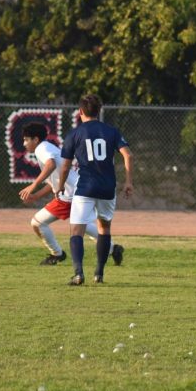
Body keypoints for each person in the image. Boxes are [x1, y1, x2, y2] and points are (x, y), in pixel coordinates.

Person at [18, 122, 124, 266]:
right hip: (74, 191)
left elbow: (51, 165)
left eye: (26, 139)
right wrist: (36, 196)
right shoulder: (47, 147)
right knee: (83, 224)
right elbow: (53, 181)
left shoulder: (41, 148)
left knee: (38, 222)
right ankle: (113, 248)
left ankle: (57, 254)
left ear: (36, 139)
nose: (24, 143)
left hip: (69, 195)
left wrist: (33, 186)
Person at [56, 94, 135, 286]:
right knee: (104, 228)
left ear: (80, 112)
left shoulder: (75, 133)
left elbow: (65, 166)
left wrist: (60, 185)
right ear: (98, 111)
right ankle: (99, 273)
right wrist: (128, 182)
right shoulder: (111, 131)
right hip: (108, 187)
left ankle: (78, 274)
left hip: (86, 187)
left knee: (76, 230)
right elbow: (128, 155)